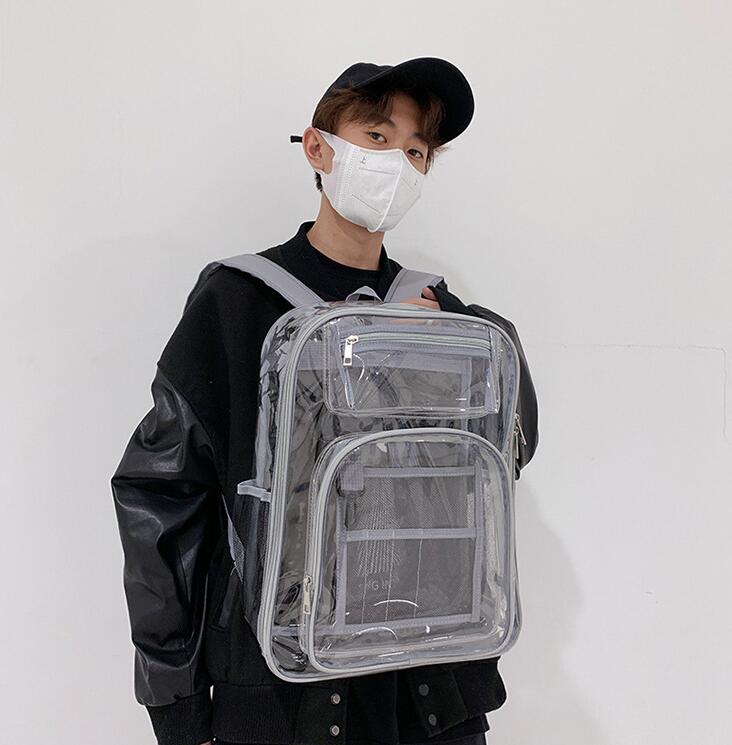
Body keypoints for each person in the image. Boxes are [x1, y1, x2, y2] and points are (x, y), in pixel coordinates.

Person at [111, 56, 539, 745]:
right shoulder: (237, 302)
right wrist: (177, 705)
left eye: (416, 151)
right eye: (377, 137)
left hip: (430, 691)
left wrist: (470, 331)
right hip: (281, 700)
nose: (396, 163)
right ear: (318, 147)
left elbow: (508, 454)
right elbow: (161, 501)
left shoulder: (439, 314)